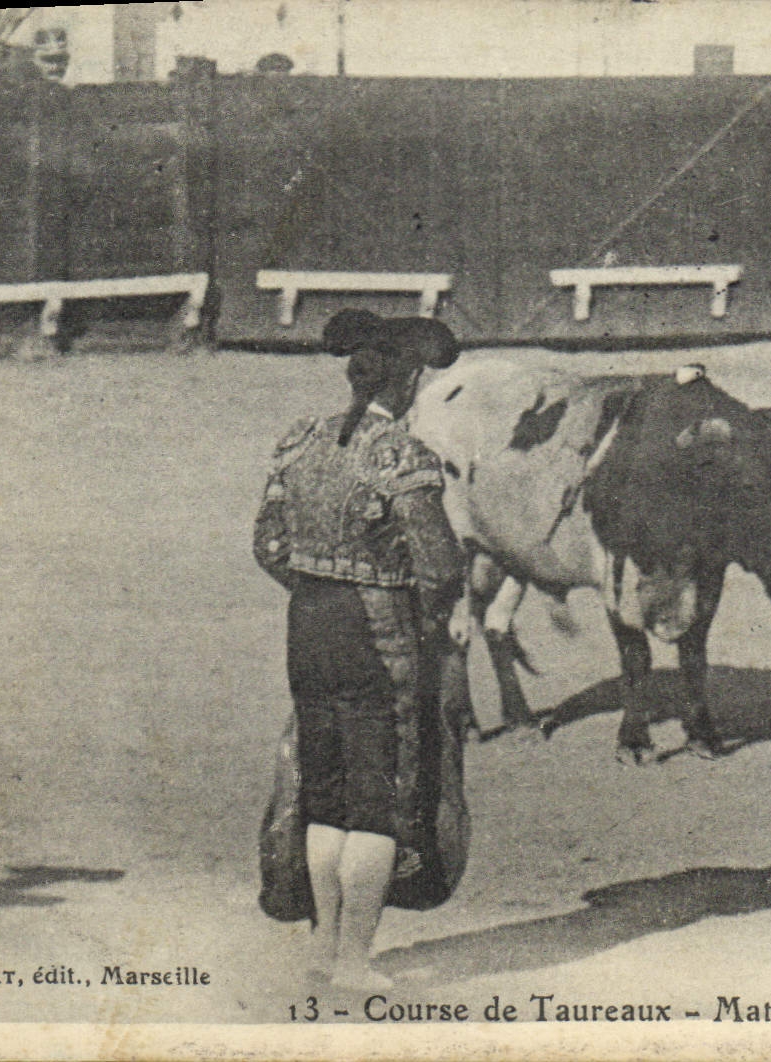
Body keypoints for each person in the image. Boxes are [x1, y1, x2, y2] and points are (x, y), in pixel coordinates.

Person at [253, 310, 467, 990]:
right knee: (381, 794)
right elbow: (440, 566)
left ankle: (321, 949)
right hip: (379, 634)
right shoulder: (401, 455)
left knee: (325, 789)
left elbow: (267, 545)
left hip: (307, 626)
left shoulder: (299, 440)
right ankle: (352, 962)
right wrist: (420, 614)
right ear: (405, 383)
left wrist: (317, 582)